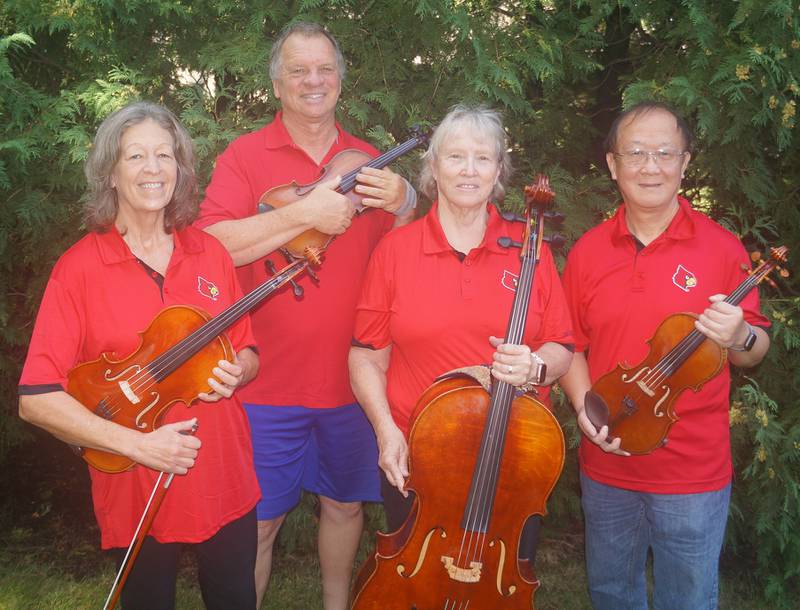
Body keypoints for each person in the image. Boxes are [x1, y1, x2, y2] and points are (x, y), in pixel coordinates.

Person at [195, 21, 416, 610]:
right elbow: (212, 246)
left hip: (351, 383)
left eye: (324, 69)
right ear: (277, 83)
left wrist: (406, 202)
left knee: (345, 506)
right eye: (298, 71)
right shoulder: (245, 156)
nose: (312, 81)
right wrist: (304, 215)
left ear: (340, 80)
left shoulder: (367, 161)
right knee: (259, 521)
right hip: (263, 381)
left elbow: (411, 256)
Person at [18, 102, 261, 609]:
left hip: (224, 473)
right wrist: (135, 444)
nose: (154, 169)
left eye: (165, 155)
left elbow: (248, 349)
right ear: (110, 173)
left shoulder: (210, 253)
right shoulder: (79, 269)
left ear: (180, 168)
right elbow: (37, 398)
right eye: (136, 157)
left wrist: (238, 372)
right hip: (136, 486)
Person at [559, 101, 771, 610]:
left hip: (692, 471)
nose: (649, 166)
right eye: (635, 153)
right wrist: (588, 412)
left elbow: (754, 351)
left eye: (663, 153)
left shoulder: (722, 250)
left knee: (689, 599)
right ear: (613, 165)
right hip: (607, 463)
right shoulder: (587, 251)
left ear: (684, 164)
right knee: (611, 593)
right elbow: (570, 345)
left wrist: (740, 334)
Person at [348, 104, 574, 541]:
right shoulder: (395, 251)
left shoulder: (530, 250)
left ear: (498, 171)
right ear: (433, 167)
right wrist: (386, 431)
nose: (469, 170)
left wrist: (535, 367)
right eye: (455, 156)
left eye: (483, 157)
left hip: (513, 456)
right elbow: (366, 356)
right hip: (419, 451)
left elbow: (561, 346)